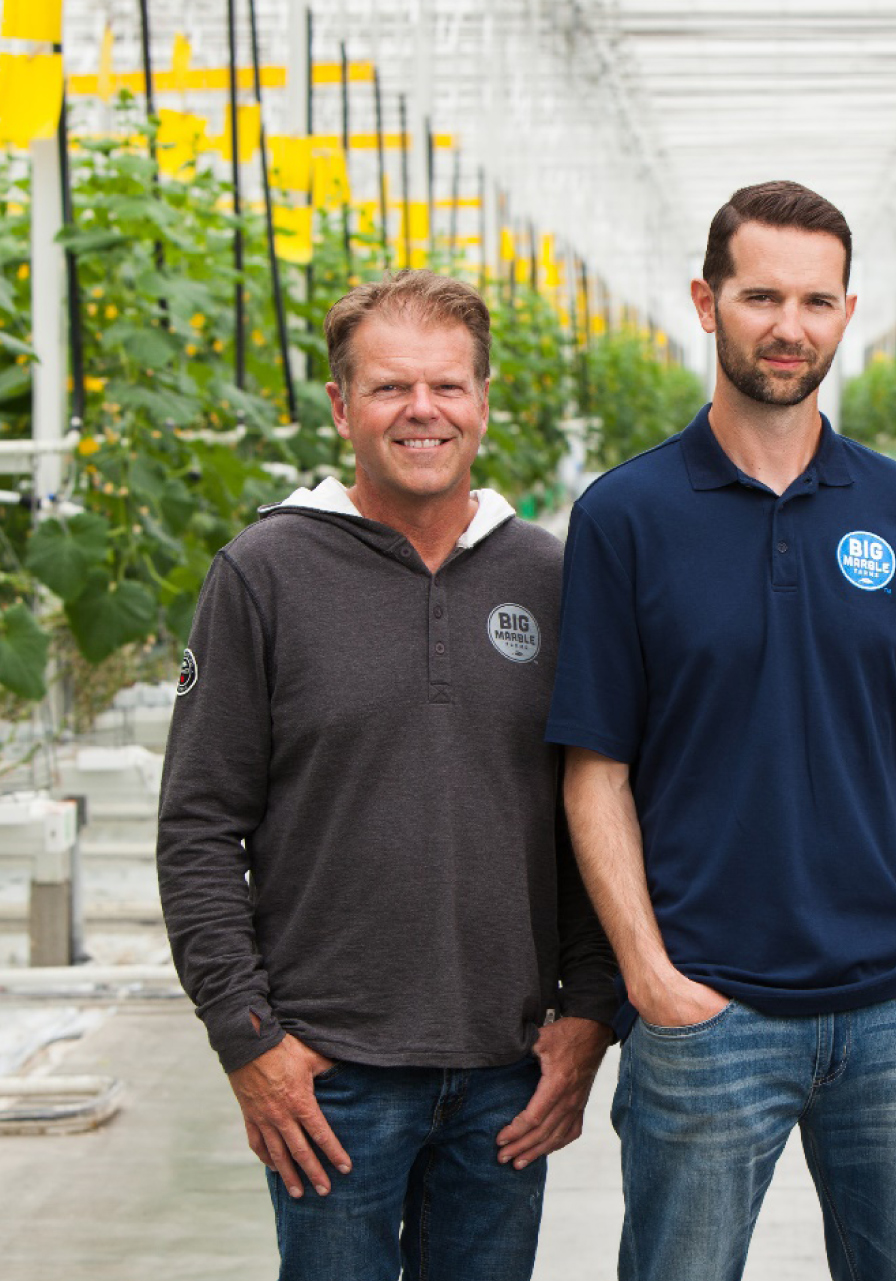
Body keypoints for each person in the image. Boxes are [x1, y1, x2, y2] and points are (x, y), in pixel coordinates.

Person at [548, 180, 896, 1281]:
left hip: (891, 1009)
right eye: (759, 297)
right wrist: (652, 979)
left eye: (816, 301)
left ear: (848, 312)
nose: (789, 328)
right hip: (709, 1010)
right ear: (706, 303)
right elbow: (594, 771)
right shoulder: (626, 515)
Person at [156, 270, 616, 1281]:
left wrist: (587, 1015)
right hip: (328, 1076)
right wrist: (248, 1039)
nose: (423, 411)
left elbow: (591, 813)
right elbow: (198, 824)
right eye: (389, 388)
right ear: (340, 405)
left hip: (507, 1075)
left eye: (448, 387)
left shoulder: (549, 576)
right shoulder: (264, 573)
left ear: (484, 403)